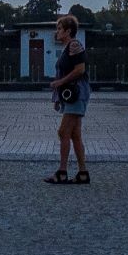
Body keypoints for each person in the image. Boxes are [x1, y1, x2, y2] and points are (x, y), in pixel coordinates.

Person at [44, 12, 90, 184]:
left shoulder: (74, 45)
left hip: (76, 94)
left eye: (59, 28)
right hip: (73, 95)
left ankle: (62, 172)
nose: (57, 32)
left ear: (68, 31)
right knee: (75, 134)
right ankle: (82, 173)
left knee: (63, 132)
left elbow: (80, 70)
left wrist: (59, 82)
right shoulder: (69, 47)